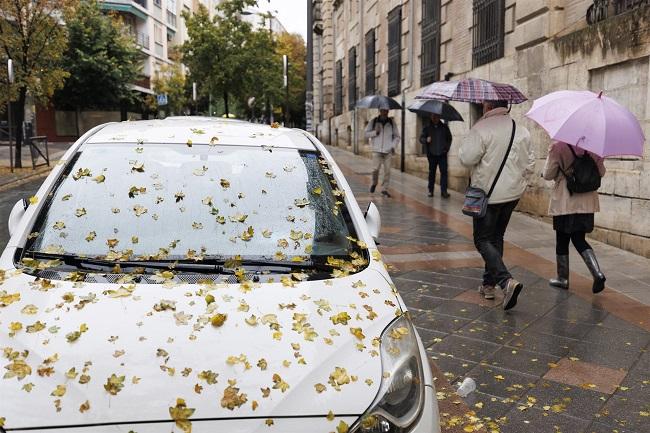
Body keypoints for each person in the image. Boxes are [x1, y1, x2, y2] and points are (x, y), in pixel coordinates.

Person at [459, 100, 535, 310]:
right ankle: (488, 285)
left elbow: (466, 159)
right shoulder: (521, 130)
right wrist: (519, 183)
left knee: (482, 239)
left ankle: (505, 281)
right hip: (511, 195)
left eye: (484, 103)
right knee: (496, 237)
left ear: (488, 105)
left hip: (487, 195)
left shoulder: (481, 128)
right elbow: (530, 163)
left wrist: (467, 142)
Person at [543, 141, 607, 293]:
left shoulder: (558, 146)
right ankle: (597, 273)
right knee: (579, 238)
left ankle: (562, 278)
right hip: (586, 200)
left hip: (566, 200)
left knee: (562, 239)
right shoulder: (595, 147)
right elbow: (601, 172)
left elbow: (548, 174)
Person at [365, 107, 401, 198]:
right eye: (383, 111)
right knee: (375, 169)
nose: (385, 112)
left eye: (386, 111)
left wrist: (393, 146)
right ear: (380, 111)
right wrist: (375, 133)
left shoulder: (391, 123)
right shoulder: (373, 122)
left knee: (387, 171)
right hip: (377, 150)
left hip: (388, 151)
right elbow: (366, 134)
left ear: (388, 111)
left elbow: (397, 136)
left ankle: (384, 189)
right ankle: (374, 182)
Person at [419, 113, 452, 198]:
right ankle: (430, 190)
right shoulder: (427, 128)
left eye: (436, 116)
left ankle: (444, 191)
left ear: (439, 117)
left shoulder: (444, 127)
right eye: (433, 116)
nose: (434, 118)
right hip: (432, 154)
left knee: (444, 172)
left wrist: (446, 148)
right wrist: (426, 139)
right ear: (431, 116)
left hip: (442, 154)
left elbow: (449, 138)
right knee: (432, 173)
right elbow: (421, 138)